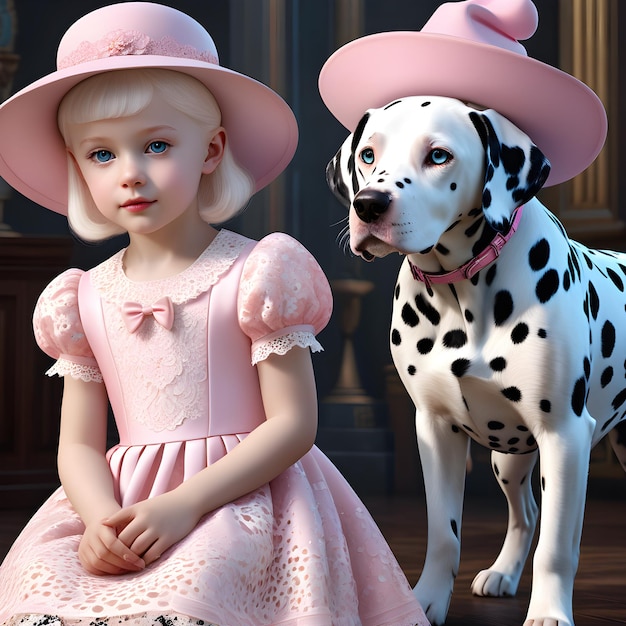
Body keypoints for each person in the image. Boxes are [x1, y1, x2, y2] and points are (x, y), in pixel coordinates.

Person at [0, 3, 428, 626]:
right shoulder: (81, 298)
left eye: (156, 145)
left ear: (211, 149)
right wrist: (97, 520)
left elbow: (293, 425)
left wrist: (183, 505)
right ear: (76, 166)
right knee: (43, 591)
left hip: (239, 500)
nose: (131, 174)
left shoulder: (259, 274)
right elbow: (78, 446)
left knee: (197, 591)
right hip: (120, 504)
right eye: (101, 155)